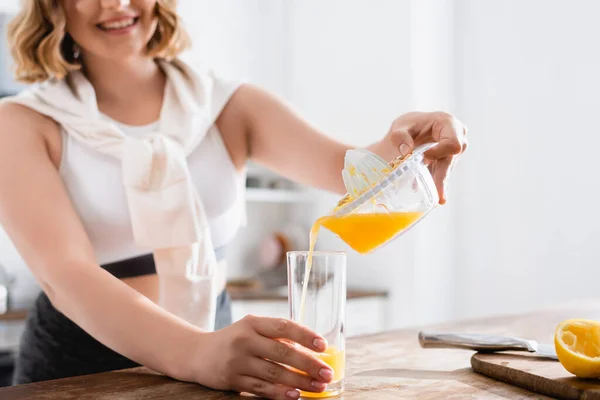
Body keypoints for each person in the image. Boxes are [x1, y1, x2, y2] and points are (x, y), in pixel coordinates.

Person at [0, 0, 467, 399]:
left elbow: (349, 171)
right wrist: (196, 353)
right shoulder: (22, 122)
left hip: (212, 336)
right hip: (82, 361)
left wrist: (409, 144)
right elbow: (67, 276)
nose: (117, 3)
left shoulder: (226, 104)